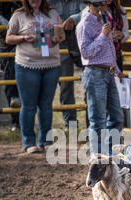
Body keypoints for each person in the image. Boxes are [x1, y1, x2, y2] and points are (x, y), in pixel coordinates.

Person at [6, 0, 64, 154]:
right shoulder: (18, 15)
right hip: (27, 65)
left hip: (51, 65)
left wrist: (59, 38)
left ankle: (46, 140)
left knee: (46, 105)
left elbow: (61, 34)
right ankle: (29, 142)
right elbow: (8, 38)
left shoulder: (53, 13)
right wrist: (23, 38)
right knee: (29, 105)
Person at [76, 0, 124, 155]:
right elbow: (86, 53)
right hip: (95, 72)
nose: (101, 7)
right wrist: (103, 36)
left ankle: (112, 154)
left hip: (107, 72)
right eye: (98, 5)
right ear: (90, 5)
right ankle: (97, 156)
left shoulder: (103, 20)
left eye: (102, 4)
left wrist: (116, 69)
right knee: (98, 119)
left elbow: (109, 49)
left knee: (116, 116)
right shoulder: (84, 25)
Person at [48, 0, 86, 132]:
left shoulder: (80, 2)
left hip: (80, 46)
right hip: (59, 47)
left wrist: (73, 19)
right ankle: (70, 124)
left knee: (88, 83)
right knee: (65, 86)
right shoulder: (50, 2)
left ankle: (89, 122)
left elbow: (88, 12)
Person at [0, 0, 22, 131]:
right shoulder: (0, 3)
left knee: (28, 81)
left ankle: (26, 120)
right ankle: (15, 121)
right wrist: (9, 30)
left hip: (25, 43)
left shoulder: (25, 3)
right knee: (10, 83)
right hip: (6, 45)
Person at [104, 0, 128, 71]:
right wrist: (107, 36)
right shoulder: (92, 11)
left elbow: (126, 32)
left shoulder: (120, 9)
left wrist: (121, 35)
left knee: (116, 81)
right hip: (100, 59)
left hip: (116, 56)